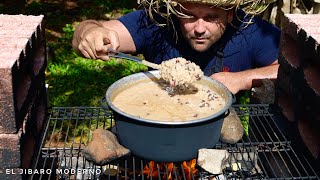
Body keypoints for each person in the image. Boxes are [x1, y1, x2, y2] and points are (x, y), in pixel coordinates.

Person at [72, 0, 281, 96]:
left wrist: (240, 79)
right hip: (157, 122)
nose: (199, 28)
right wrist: (88, 32)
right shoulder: (155, 23)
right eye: (189, 16)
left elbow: (289, 70)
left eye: (211, 18)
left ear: (230, 14)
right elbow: (89, 32)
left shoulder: (250, 31)